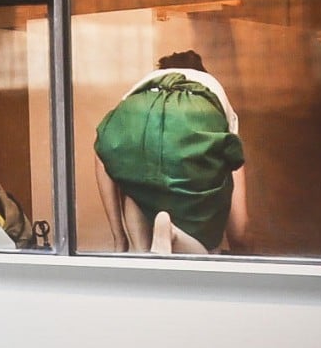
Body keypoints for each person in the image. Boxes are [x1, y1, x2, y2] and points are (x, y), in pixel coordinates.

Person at [93, 50, 248, 255]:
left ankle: (140, 251)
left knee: (135, 188)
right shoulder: (209, 88)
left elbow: (103, 150)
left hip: (139, 114)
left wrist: (118, 238)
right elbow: (239, 228)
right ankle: (174, 234)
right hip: (194, 116)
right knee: (208, 238)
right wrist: (240, 248)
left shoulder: (145, 85)